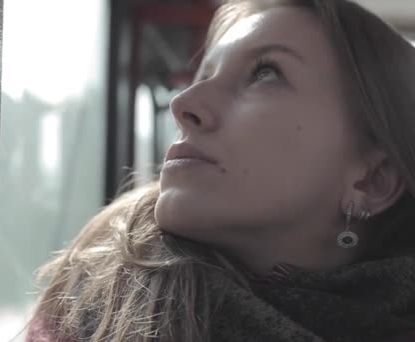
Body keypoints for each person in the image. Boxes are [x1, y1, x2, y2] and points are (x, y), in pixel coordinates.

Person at [25, 0, 415, 340]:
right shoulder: (88, 316)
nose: (184, 103)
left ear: (371, 180)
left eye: (265, 73)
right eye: (205, 75)